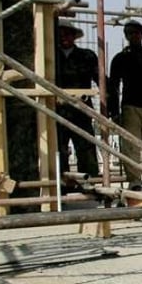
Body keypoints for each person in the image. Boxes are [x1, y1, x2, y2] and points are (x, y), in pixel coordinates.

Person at [106, 20, 142, 189]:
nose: (133, 36)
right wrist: (114, 111)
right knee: (130, 145)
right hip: (130, 106)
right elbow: (113, 87)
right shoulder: (121, 58)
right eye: (130, 33)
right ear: (126, 36)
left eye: (136, 33)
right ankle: (134, 180)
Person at [54, 19, 100, 178]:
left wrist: (108, 102)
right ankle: (63, 183)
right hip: (58, 110)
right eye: (59, 35)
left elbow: (99, 79)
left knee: (86, 146)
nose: (63, 37)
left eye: (67, 34)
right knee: (60, 148)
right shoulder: (51, 57)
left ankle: (90, 181)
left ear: (74, 36)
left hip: (82, 109)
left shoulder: (86, 56)